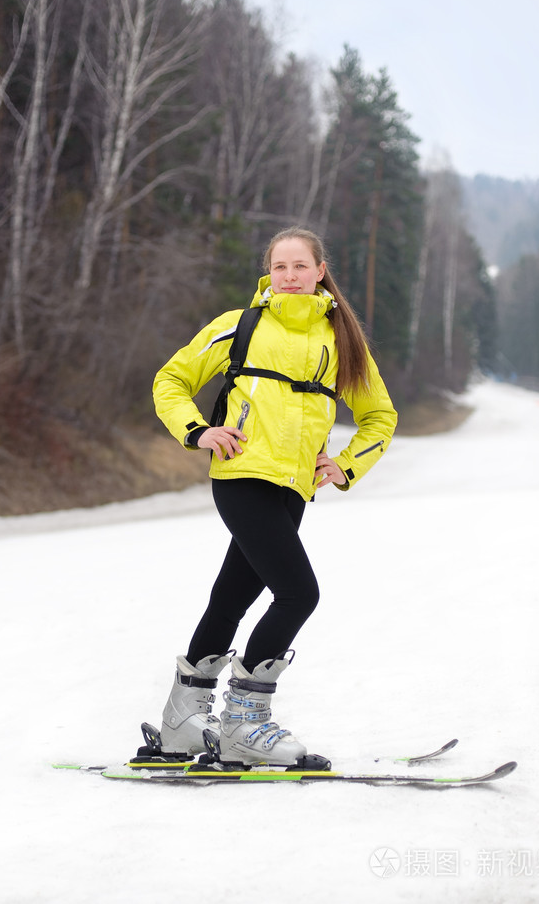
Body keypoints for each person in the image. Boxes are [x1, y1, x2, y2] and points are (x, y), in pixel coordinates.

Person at [151, 227, 397, 766]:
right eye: (280, 267)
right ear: (269, 272)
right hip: (241, 479)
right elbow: (170, 381)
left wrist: (346, 464)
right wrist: (198, 431)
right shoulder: (239, 326)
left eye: (300, 267)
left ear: (319, 271)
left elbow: (380, 416)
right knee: (298, 594)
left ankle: (182, 723)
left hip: (294, 489)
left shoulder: (340, 340)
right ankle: (243, 723)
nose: (289, 276)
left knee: (232, 599)